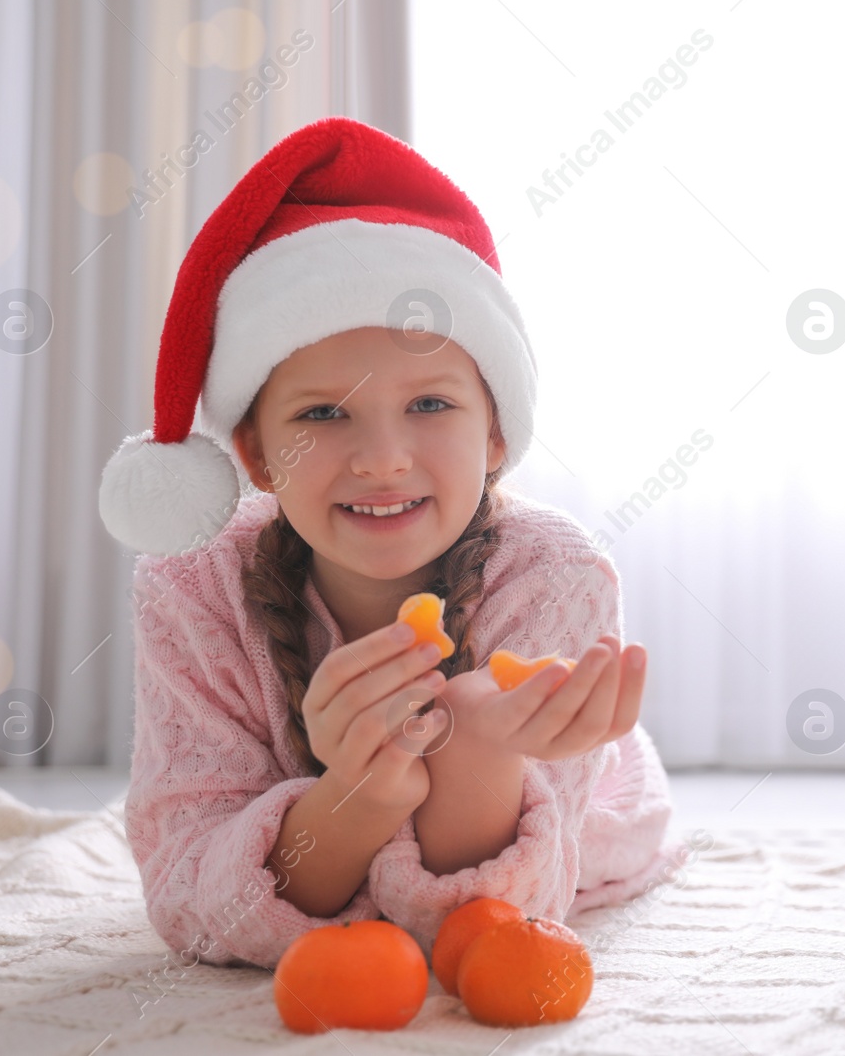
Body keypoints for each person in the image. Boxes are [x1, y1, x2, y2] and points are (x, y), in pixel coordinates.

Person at [98, 116, 679, 970]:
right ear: (256, 454)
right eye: (322, 414)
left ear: (494, 436)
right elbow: (192, 896)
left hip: (554, 822)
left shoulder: (553, 575)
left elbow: (507, 918)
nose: (381, 459)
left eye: (432, 405)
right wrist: (360, 796)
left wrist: (476, 741)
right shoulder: (193, 588)